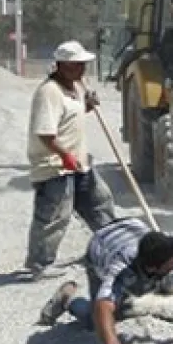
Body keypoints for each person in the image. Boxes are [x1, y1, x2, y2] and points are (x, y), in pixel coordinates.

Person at [37, 217, 173, 344]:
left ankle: (152, 282)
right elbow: (104, 306)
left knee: (170, 284)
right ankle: (68, 299)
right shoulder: (119, 267)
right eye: (170, 264)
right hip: (101, 247)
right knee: (98, 321)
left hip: (130, 227)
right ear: (153, 267)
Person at [23, 40, 118, 281]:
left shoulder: (72, 88)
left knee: (100, 203)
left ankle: (115, 248)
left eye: (84, 65)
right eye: (77, 65)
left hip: (79, 162)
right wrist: (64, 156)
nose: (82, 70)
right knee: (54, 216)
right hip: (55, 165)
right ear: (62, 65)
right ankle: (40, 264)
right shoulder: (49, 92)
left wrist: (87, 105)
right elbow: (45, 132)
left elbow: (69, 118)